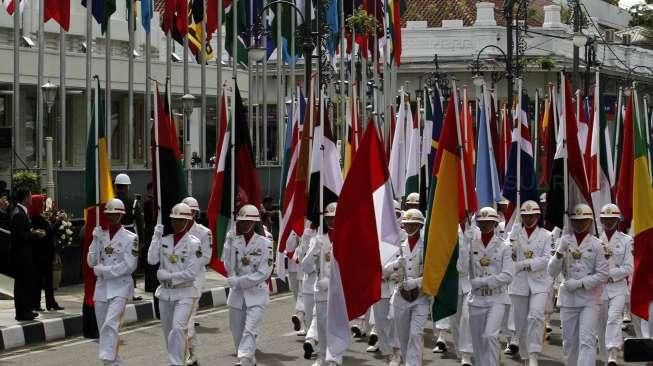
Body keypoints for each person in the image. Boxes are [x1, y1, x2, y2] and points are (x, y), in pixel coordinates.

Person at [548, 203, 609, 366]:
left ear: (590, 222)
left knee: (587, 340)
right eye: (576, 220)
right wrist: (559, 253)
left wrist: (580, 283)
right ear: (571, 222)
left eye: (584, 220)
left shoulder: (597, 245)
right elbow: (551, 271)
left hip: (589, 299)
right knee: (569, 342)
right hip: (568, 299)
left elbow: (603, 274)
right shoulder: (565, 241)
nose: (579, 223)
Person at [148, 203, 203, 366]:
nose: (177, 223)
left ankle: (176, 363)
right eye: (174, 220)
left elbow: (192, 272)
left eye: (181, 220)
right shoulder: (164, 240)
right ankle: (177, 360)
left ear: (188, 221)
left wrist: (168, 276)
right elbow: (151, 260)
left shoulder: (194, 243)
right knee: (168, 332)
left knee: (178, 329)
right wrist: (155, 237)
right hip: (165, 293)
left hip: (185, 292)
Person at [87, 198, 139, 366]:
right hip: (102, 288)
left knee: (110, 324)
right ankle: (114, 363)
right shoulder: (100, 235)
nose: (112, 217)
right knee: (104, 328)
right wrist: (93, 240)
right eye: (109, 214)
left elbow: (130, 265)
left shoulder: (131, 238)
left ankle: (107, 361)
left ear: (122, 215)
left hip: (120, 287)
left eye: (116, 214)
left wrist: (105, 271)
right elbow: (91, 262)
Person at [222, 204, 274, 366]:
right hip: (237, 295)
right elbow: (228, 265)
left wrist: (239, 281)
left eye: (247, 222)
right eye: (241, 222)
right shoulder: (234, 241)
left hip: (256, 294)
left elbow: (264, 272)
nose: (244, 225)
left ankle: (244, 358)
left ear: (255, 223)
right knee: (236, 331)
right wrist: (228, 244)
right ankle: (248, 360)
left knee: (250, 329)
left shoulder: (265, 243)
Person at [463, 207, 514, 366]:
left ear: (495, 223)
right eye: (482, 223)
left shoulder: (504, 246)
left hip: (496, 297)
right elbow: (462, 269)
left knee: (490, 336)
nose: (485, 225)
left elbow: (508, 275)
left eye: (489, 222)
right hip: (476, 299)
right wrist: (464, 243)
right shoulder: (472, 245)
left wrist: (484, 281)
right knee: (478, 341)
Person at [507, 201, 553, 366]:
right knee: (520, 322)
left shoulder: (546, 235)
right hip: (519, 283)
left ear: (538, 216)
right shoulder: (515, 233)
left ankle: (534, 355)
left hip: (539, 283)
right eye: (525, 216)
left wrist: (523, 264)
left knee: (535, 316)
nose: (528, 219)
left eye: (532, 216)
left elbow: (547, 259)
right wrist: (510, 246)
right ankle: (526, 356)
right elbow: (507, 257)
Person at [387, 208, 429, 366]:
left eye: (414, 224)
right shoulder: (399, 245)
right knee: (404, 338)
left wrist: (416, 282)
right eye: (407, 224)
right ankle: (408, 362)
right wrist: (395, 265)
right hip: (401, 297)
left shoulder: (427, 247)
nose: (410, 227)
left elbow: (433, 275)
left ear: (420, 225)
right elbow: (384, 270)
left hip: (420, 297)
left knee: (415, 334)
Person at [302, 202, 339, 366]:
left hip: (339, 291)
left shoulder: (346, 238)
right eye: (329, 218)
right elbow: (306, 267)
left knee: (336, 328)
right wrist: (314, 251)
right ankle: (322, 357)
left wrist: (332, 281)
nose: (332, 221)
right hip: (322, 291)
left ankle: (334, 359)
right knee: (322, 328)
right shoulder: (319, 239)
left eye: (335, 218)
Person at [596, 204, 633, 366]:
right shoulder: (595, 240)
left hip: (618, 287)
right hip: (599, 289)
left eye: (612, 219)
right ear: (601, 220)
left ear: (618, 221)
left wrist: (609, 275)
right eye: (606, 219)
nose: (608, 222)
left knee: (614, 318)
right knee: (602, 322)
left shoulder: (626, 240)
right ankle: (605, 356)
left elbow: (628, 267)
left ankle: (613, 353)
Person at [182, 196, 213, 366]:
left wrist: (187, 264)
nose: (187, 215)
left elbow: (206, 258)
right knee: (181, 318)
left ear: (195, 213)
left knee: (188, 316)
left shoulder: (203, 232)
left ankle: (186, 353)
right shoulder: (175, 231)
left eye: (190, 212)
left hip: (195, 278)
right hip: (178, 279)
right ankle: (192, 353)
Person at [11, 188, 45, 321]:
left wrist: (33, 232)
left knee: (26, 284)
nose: (31, 198)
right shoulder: (18, 213)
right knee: (22, 285)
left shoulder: (21, 212)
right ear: (25, 198)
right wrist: (35, 234)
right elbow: (20, 236)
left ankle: (26, 310)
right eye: (30, 196)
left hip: (25, 255)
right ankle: (22, 312)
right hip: (21, 256)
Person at [30, 194, 64, 311]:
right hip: (41, 255)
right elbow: (48, 233)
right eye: (41, 202)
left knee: (48, 280)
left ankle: (50, 302)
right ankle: (38, 303)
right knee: (41, 280)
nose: (44, 204)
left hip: (45, 254)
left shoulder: (39, 217)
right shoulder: (35, 218)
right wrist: (59, 221)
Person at [114, 173, 144, 301]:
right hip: (130, 232)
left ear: (116, 186)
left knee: (116, 261)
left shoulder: (112, 201)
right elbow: (139, 221)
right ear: (127, 187)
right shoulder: (134, 202)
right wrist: (141, 240)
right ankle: (131, 293)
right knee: (131, 263)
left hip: (115, 234)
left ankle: (117, 291)